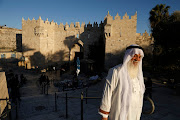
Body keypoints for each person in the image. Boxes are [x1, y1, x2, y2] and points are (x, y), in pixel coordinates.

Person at [99, 44, 145, 120]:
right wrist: (104, 115)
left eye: (139, 57)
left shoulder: (138, 75)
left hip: (134, 113)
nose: (137, 59)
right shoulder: (116, 71)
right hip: (119, 113)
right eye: (135, 55)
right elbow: (107, 93)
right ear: (128, 56)